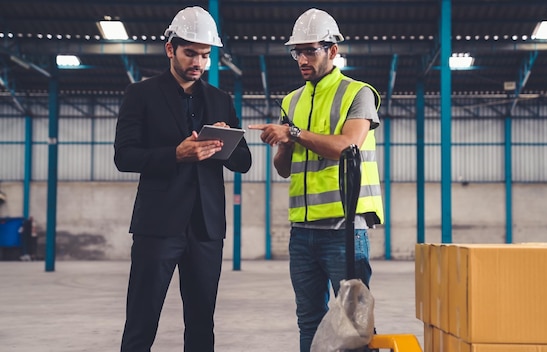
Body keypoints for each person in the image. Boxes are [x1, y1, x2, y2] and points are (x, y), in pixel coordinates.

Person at [114, 6, 251, 352]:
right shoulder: (140, 95)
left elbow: (244, 163)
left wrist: (227, 142)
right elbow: (124, 156)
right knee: (142, 321)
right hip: (158, 225)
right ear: (170, 48)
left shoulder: (220, 101)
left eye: (205, 55)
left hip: (206, 229)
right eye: (191, 52)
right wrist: (176, 154)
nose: (199, 62)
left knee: (202, 323)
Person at [248, 8, 384, 352]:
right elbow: (284, 169)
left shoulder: (357, 93)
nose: (302, 59)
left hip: (345, 228)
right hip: (303, 232)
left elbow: (347, 147)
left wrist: (293, 131)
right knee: (308, 318)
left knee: (352, 322)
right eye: (298, 52)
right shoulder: (291, 100)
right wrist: (281, 144)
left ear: (332, 51)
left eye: (310, 50)